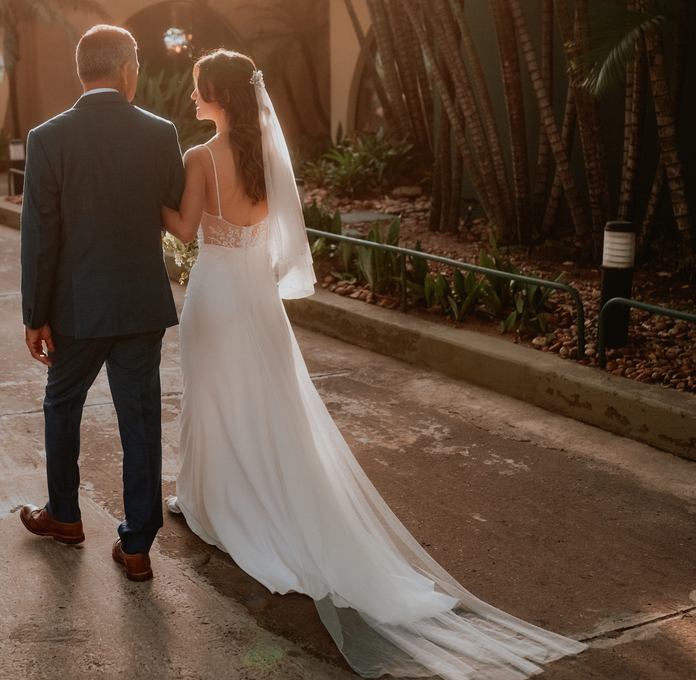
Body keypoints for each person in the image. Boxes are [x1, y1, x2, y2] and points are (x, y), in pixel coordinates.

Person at [161, 49, 585, 679]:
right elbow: (277, 239)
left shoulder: (199, 157)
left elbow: (184, 230)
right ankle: (253, 495)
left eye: (199, 88)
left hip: (217, 296)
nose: (193, 96)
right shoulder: (266, 157)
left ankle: (210, 500)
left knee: (213, 395)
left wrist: (149, 200)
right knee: (268, 403)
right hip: (257, 299)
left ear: (219, 95)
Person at [19, 25, 185, 582]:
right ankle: (137, 546)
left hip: (76, 308)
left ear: (81, 71)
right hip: (140, 304)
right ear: (128, 70)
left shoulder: (47, 138)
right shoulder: (160, 133)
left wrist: (35, 315)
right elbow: (174, 210)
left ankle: (65, 516)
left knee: (62, 405)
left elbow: (40, 236)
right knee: (140, 417)